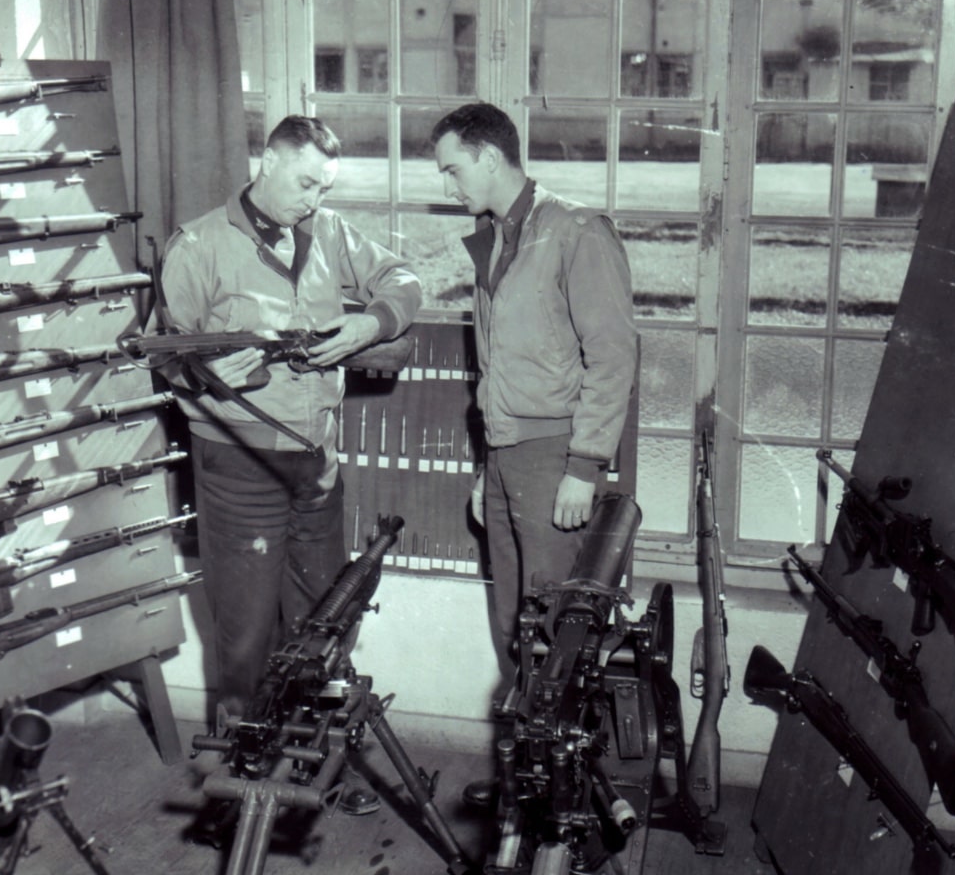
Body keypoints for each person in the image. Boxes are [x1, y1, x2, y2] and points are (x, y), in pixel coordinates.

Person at [158, 114, 421, 719]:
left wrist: (370, 322)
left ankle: (314, 759)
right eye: (306, 183)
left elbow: (402, 277)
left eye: (324, 188)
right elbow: (168, 354)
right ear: (267, 162)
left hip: (316, 458)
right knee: (246, 630)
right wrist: (205, 374)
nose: (314, 200)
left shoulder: (327, 232)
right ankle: (241, 771)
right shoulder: (197, 245)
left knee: (325, 614)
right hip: (238, 461)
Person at [430, 102, 637, 697]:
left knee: (556, 637)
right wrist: (489, 466)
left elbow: (613, 357)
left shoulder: (576, 230)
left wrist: (584, 466)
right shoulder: (497, 238)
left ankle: (564, 781)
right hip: (507, 458)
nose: (446, 185)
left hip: (556, 459)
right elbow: (502, 364)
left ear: (490, 158)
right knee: (512, 628)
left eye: (452, 170)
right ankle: (528, 774)